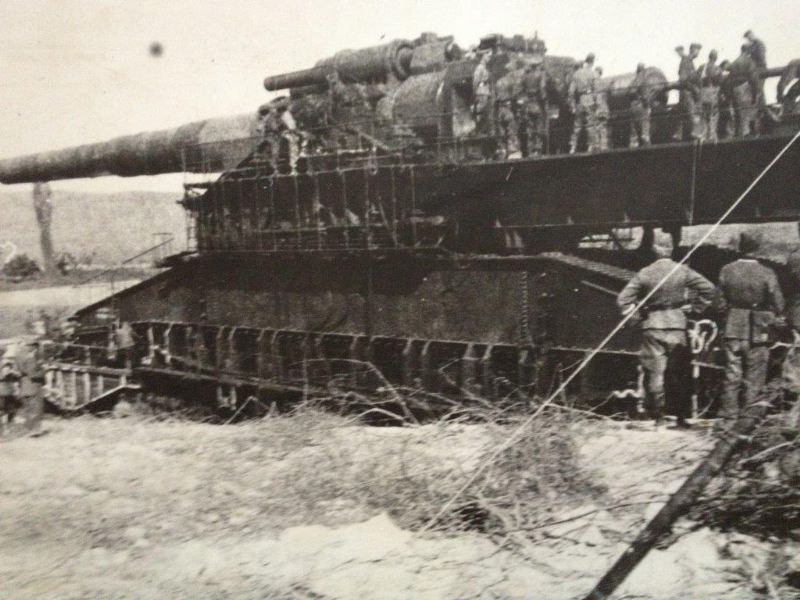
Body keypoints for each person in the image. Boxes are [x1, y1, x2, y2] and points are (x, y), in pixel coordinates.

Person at [617, 245, 716, 427]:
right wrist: (696, 309)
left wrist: (636, 319)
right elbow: (709, 289)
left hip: (653, 325)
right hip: (678, 325)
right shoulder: (682, 270)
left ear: (653, 253)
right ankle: (680, 417)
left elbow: (623, 300)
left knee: (654, 373)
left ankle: (659, 417)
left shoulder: (645, 273)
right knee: (680, 372)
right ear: (670, 252)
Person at [717, 232, 785, 423]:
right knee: (755, 376)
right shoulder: (767, 272)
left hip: (733, 327)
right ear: (759, 249)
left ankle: (729, 417)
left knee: (732, 374)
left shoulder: (726, 270)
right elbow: (778, 303)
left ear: (740, 247)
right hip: (758, 330)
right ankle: (749, 419)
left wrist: (729, 317)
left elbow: (719, 303)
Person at [495, 60, 525, 159]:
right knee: (511, 130)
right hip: (508, 109)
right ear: (511, 71)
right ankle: (513, 152)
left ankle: (502, 151)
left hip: (500, 109)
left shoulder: (498, 82)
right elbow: (515, 95)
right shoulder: (511, 81)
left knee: (501, 132)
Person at [568, 53, 598, 153]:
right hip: (589, 100)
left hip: (580, 101)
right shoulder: (593, 73)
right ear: (592, 61)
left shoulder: (576, 74)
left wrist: (573, 105)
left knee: (577, 125)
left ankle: (572, 147)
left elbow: (571, 91)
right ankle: (590, 147)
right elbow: (596, 90)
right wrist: (595, 102)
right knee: (590, 125)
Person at [728, 45, 760, 136]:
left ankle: (738, 136)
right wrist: (755, 92)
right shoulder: (749, 61)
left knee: (738, 114)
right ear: (748, 51)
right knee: (747, 113)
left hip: (734, 89)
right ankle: (745, 136)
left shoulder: (734, 63)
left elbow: (730, 79)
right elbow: (753, 78)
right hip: (745, 88)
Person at [520, 54, 548, 156]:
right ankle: (537, 150)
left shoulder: (525, 76)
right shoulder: (540, 75)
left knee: (529, 128)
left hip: (528, 104)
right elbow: (542, 90)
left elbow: (521, 89)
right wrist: (544, 100)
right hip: (537, 103)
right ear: (538, 65)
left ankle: (530, 150)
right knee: (539, 127)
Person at [677, 44, 702, 141]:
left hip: (688, 93)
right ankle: (695, 134)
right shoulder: (686, 61)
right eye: (698, 51)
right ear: (693, 50)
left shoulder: (689, 61)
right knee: (693, 114)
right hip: (687, 93)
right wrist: (693, 88)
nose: (698, 53)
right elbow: (683, 79)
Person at [697, 50, 722, 142]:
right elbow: (720, 81)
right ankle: (711, 135)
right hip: (713, 92)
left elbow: (697, 79)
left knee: (703, 114)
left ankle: (703, 135)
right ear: (715, 58)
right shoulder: (717, 68)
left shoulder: (702, 67)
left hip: (703, 92)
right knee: (713, 114)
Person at [628, 63, 652, 147]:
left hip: (633, 106)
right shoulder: (644, 80)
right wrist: (648, 106)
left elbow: (629, 92)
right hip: (641, 105)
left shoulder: (633, 81)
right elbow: (646, 96)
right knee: (645, 125)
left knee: (634, 127)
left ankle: (633, 144)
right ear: (643, 70)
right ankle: (646, 144)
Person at [593, 66, 610, 151]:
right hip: (604, 107)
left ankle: (597, 145)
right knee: (603, 127)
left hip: (597, 107)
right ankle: (604, 145)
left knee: (596, 127)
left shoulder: (594, 83)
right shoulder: (604, 82)